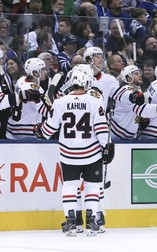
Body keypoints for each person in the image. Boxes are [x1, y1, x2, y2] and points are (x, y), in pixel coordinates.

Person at [33, 68, 115, 236]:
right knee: (92, 186)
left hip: (68, 153)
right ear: (87, 82)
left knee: (70, 186)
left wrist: (39, 130)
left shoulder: (60, 102)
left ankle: (71, 221)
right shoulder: (94, 101)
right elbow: (101, 129)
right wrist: (108, 146)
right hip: (91, 153)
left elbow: (49, 130)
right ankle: (91, 221)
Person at [6, 58, 48, 140]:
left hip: (12, 128)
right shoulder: (37, 89)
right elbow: (46, 111)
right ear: (35, 73)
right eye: (42, 70)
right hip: (28, 130)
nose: (45, 72)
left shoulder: (21, 80)